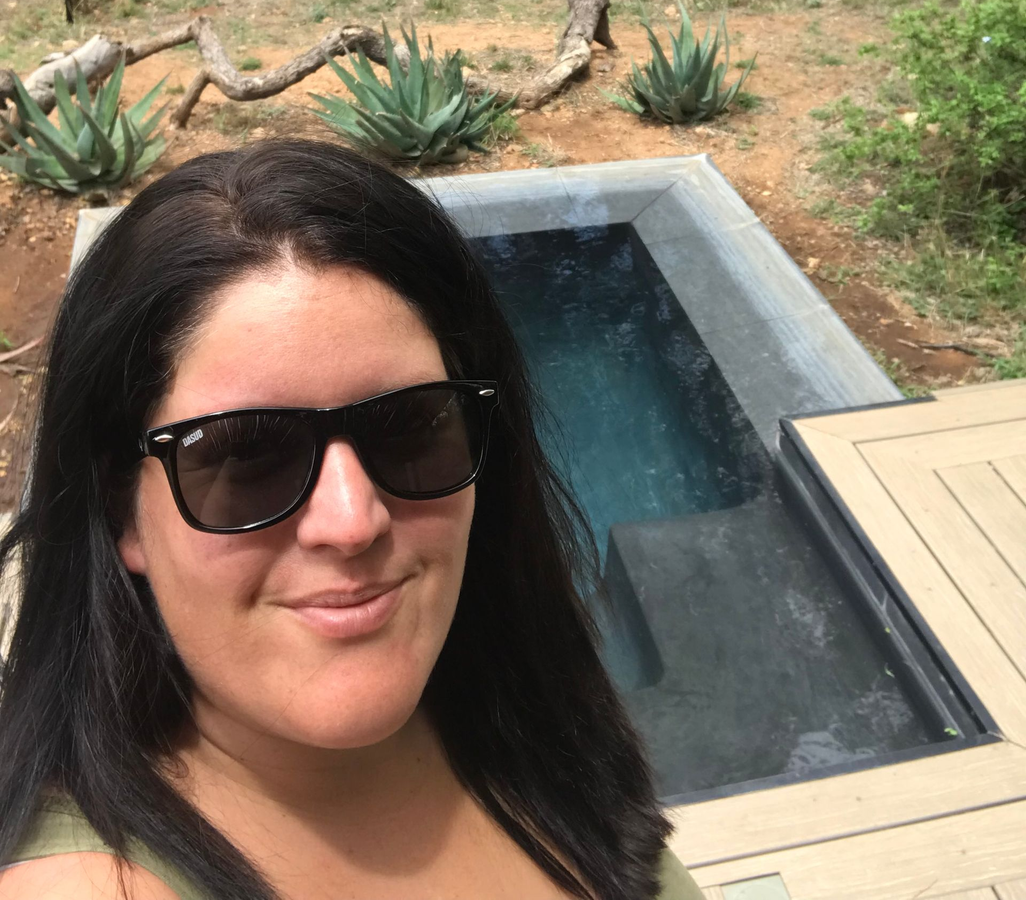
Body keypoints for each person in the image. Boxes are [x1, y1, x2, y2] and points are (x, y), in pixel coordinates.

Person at [0, 139, 704, 900]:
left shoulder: (525, 722)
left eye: (412, 427)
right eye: (248, 456)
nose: (351, 520)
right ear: (123, 511)